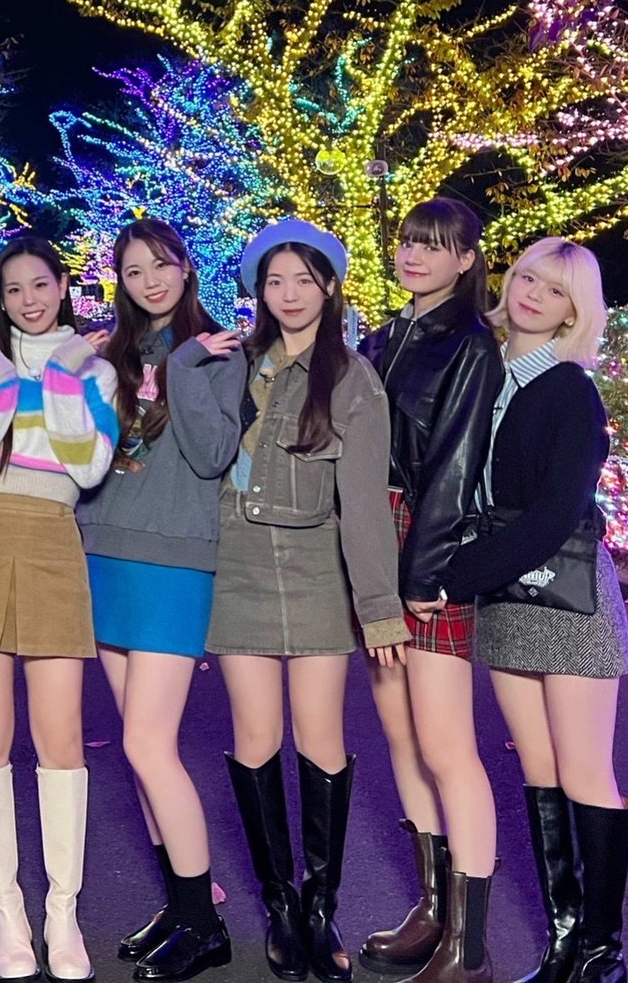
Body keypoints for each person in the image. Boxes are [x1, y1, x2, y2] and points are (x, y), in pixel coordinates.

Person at [426, 239, 628, 983]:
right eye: (528, 278)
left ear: (575, 311)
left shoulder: (570, 389)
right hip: (508, 595)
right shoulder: (485, 374)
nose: (534, 295)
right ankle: (563, 946)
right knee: (540, 771)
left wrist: (454, 579)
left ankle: (602, 957)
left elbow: (554, 514)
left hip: (567, 594)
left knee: (584, 773)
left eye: (556, 291)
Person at [207, 221, 408, 983]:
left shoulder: (353, 379)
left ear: (329, 286)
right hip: (239, 564)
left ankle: (322, 910)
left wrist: (379, 606)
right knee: (255, 736)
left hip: (317, 566)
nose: (288, 294)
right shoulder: (236, 365)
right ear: (259, 292)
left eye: (303, 279)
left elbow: (363, 504)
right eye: (274, 281)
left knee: (321, 738)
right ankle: (281, 907)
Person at [0, 233, 118, 983]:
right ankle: (8, 913)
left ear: (63, 286)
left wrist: (61, 377)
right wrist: (3, 385)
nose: (29, 300)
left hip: (51, 536)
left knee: (60, 735)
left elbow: (88, 465)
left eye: (40, 284)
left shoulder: (96, 368)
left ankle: (62, 913)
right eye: (13, 290)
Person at [79, 218, 246, 980]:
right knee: (134, 747)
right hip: (102, 553)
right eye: (134, 270)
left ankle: (204, 923)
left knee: (151, 745)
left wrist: (181, 363)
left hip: (173, 561)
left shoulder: (214, 351)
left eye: (161, 265)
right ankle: (181, 904)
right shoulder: (111, 353)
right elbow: (90, 454)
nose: (150, 281)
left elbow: (212, 455)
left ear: (186, 266)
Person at [355, 199, 504, 982]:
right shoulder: (384, 338)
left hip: (425, 546)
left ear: (466, 260)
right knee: (402, 737)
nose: (415, 255)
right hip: (373, 541)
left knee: (447, 747)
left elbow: (455, 462)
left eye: (436, 246)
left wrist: (423, 573)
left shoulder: (469, 344)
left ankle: (468, 947)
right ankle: (434, 909)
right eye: (410, 242)